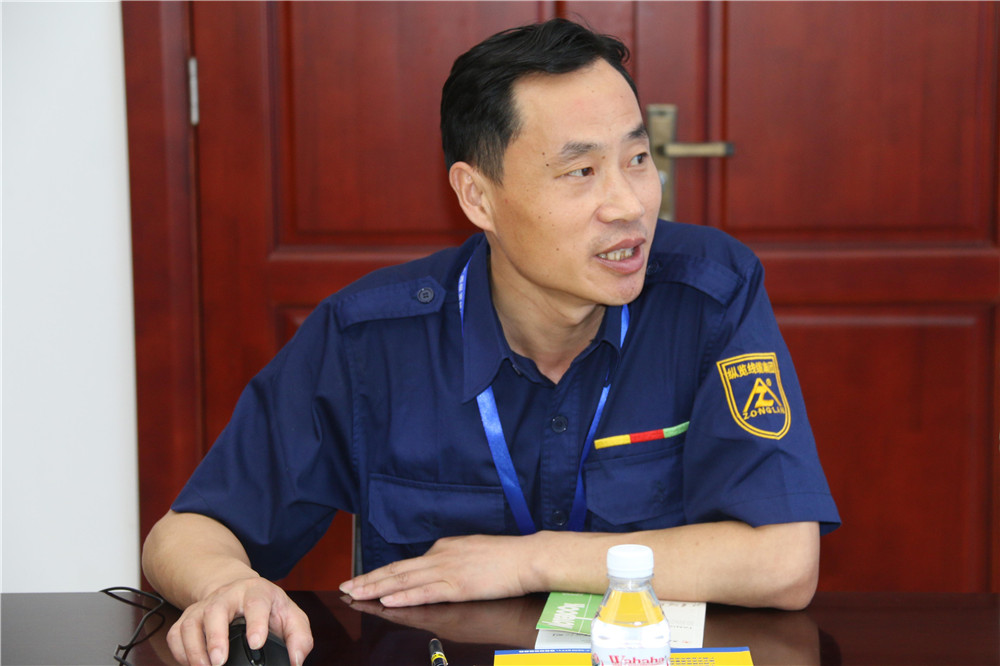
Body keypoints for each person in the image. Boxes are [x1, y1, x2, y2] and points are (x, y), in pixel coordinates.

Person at [142, 18, 840, 666]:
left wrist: (529, 560)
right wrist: (227, 585)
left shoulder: (709, 294)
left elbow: (783, 562)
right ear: (478, 197)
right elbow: (185, 533)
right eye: (581, 172)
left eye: (636, 158)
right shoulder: (371, 340)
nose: (631, 203)